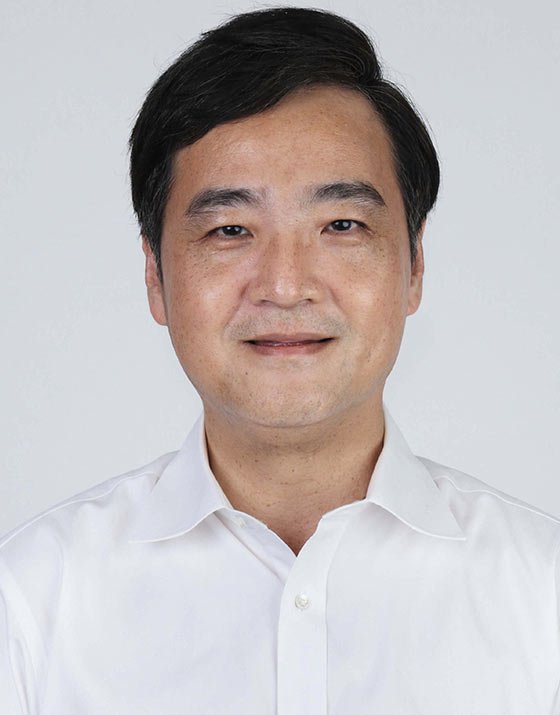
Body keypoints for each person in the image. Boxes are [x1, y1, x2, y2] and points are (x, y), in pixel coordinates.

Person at [1, 6, 559, 713]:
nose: (286, 286)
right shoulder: (29, 605)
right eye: (230, 229)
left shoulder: (543, 596)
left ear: (415, 265)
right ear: (155, 276)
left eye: (341, 225)